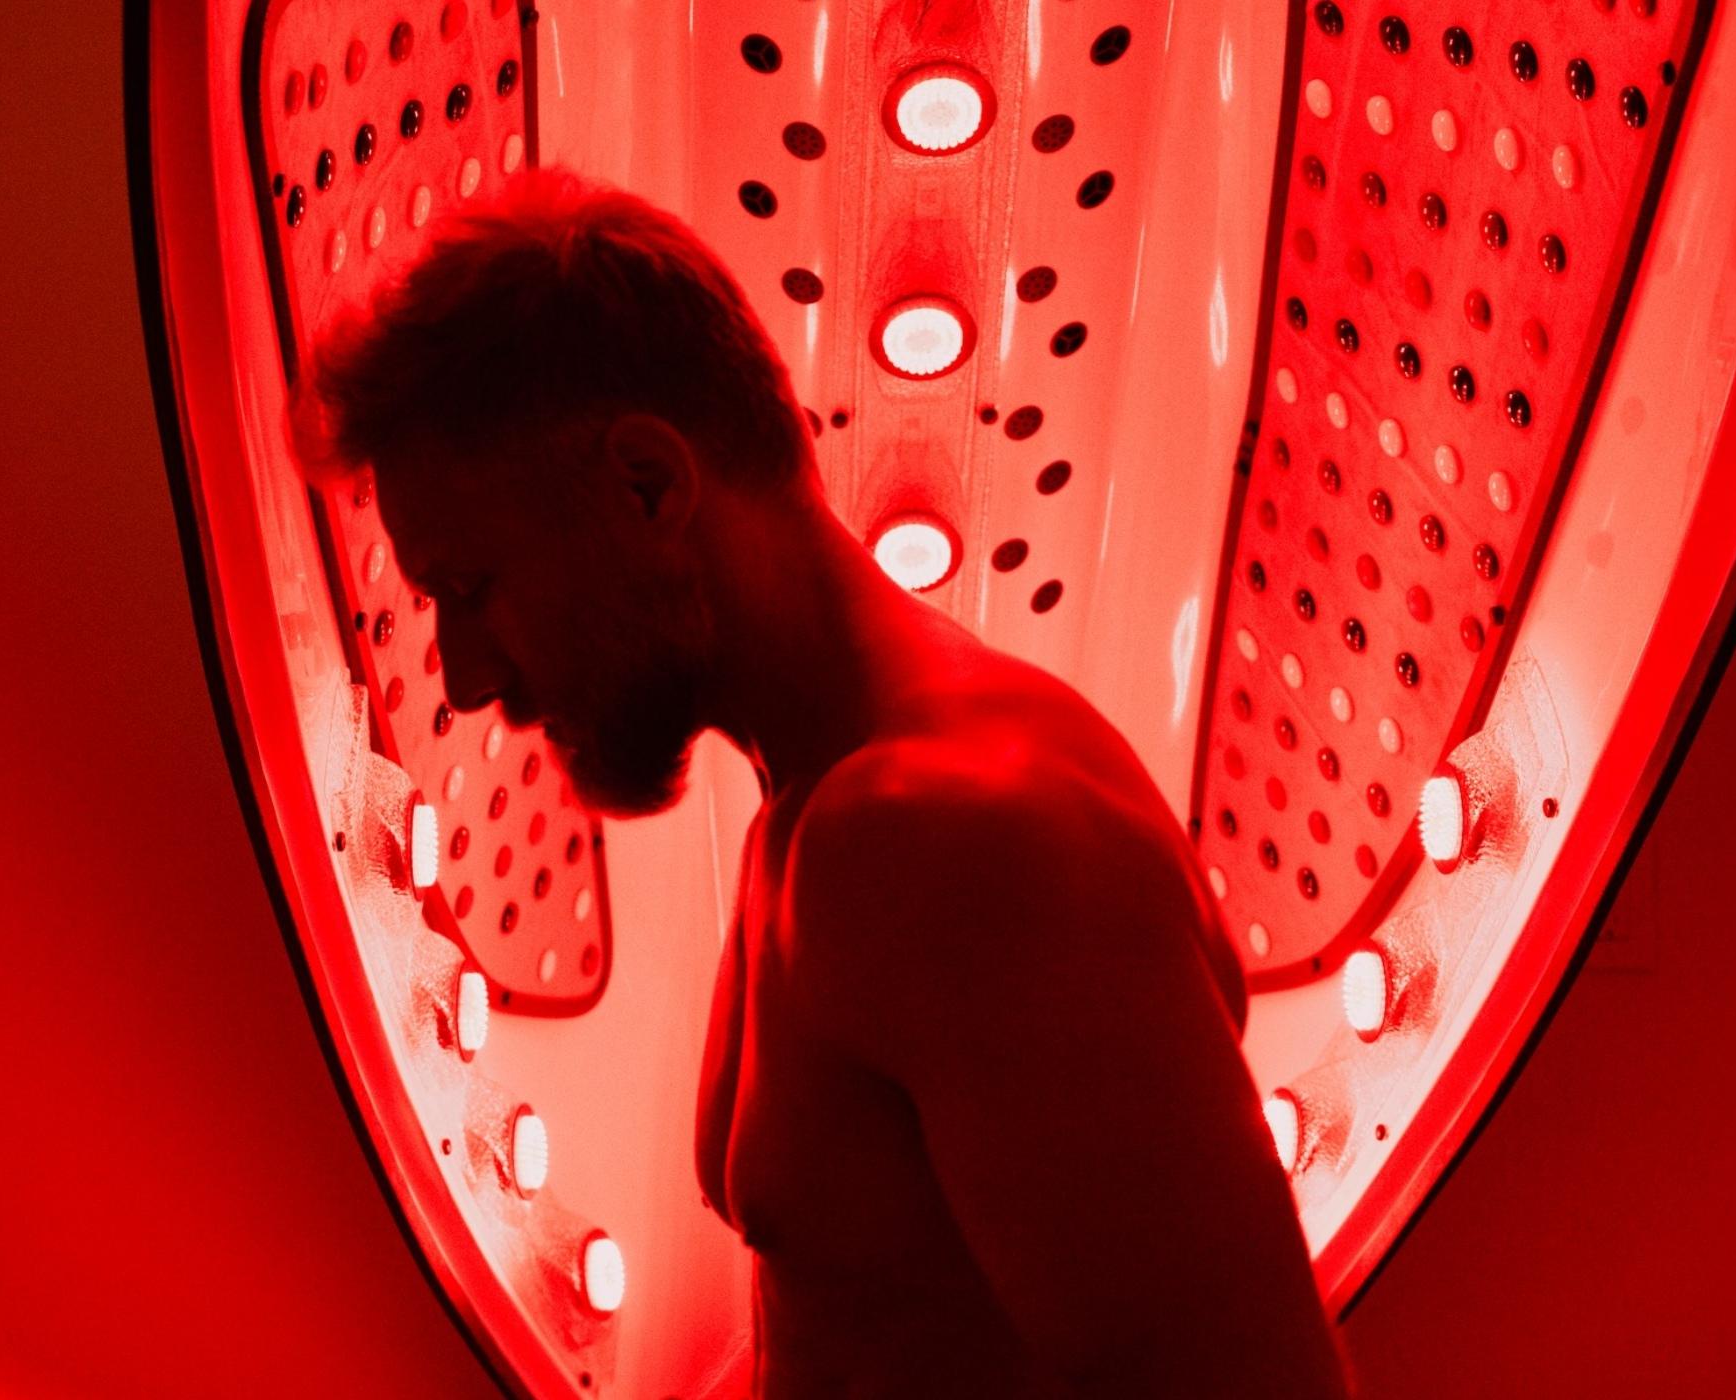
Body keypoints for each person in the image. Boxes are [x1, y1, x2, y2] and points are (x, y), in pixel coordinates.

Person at [298, 166, 1346, 1399]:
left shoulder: (957, 841)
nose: (467, 677)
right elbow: (879, 1322)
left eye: (474, 589)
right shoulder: (810, 818)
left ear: (648, 484)